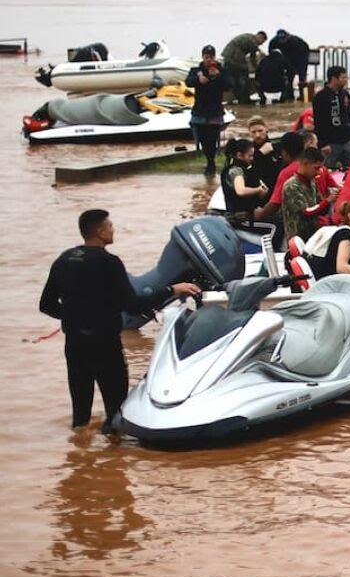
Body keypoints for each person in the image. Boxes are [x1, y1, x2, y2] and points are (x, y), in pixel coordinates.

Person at [40, 210, 199, 432]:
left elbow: (46, 304)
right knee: (116, 412)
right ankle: (114, 459)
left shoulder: (64, 259)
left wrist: (73, 317)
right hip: (105, 345)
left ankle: (80, 459)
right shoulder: (109, 262)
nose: (114, 229)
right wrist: (172, 289)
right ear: (99, 231)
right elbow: (134, 305)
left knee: (80, 416)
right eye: (110, 226)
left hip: (75, 345)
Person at [186, 44, 231, 176]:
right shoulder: (196, 70)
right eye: (206, 57)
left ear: (214, 57)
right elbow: (188, 81)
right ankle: (209, 160)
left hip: (215, 111)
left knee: (212, 138)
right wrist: (198, 80)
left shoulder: (221, 70)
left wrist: (218, 76)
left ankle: (211, 163)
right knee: (202, 139)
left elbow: (229, 86)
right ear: (202, 57)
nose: (209, 60)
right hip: (199, 111)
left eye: (211, 57)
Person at [312, 64, 350, 169]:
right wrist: (322, 143)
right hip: (330, 143)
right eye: (343, 78)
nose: (346, 80)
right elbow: (318, 122)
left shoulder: (345, 94)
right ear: (333, 78)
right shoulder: (321, 97)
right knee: (327, 169)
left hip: (347, 140)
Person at [281, 147, 332, 242]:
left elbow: (321, 209)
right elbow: (306, 212)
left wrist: (332, 199)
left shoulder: (312, 182)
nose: (319, 172)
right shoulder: (291, 186)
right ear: (305, 163)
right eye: (316, 168)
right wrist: (327, 201)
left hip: (313, 238)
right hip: (298, 240)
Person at [221, 137, 269, 224]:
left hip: (249, 212)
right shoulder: (236, 171)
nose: (252, 158)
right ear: (239, 155)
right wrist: (259, 190)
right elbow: (241, 191)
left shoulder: (246, 169)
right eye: (250, 156)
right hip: (239, 217)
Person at [221, 31, 267, 106]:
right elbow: (253, 57)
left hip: (228, 56)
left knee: (235, 79)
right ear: (260, 37)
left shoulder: (249, 37)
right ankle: (244, 99)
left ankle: (241, 98)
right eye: (262, 42)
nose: (261, 44)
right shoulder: (252, 41)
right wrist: (257, 69)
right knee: (244, 77)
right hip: (234, 56)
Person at [268, 29, 311, 103]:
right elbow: (271, 53)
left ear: (288, 36)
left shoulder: (295, 42)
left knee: (302, 76)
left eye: (284, 39)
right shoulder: (273, 42)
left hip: (301, 56)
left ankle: (303, 96)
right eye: (280, 40)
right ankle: (289, 95)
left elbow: (299, 56)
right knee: (289, 76)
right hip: (286, 56)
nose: (282, 41)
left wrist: (292, 66)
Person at [247, 115, 283, 193]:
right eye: (253, 132)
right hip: (260, 191)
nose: (257, 135)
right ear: (249, 133)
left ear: (266, 129)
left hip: (279, 188)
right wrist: (259, 155)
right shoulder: (247, 152)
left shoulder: (278, 147)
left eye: (260, 131)